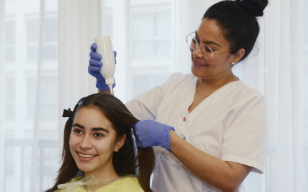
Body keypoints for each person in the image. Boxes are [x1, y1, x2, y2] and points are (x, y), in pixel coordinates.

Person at [88, 0, 268, 191]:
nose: (197, 52)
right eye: (196, 40)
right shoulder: (175, 85)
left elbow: (230, 179)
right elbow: (114, 121)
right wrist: (104, 83)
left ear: (237, 55)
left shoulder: (247, 102)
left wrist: (169, 139)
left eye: (209, 48)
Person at [46, 93, 155, 192]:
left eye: (98, 135)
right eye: (78, 131)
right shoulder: (66, 188)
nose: (84, 144)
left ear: (119, 141)